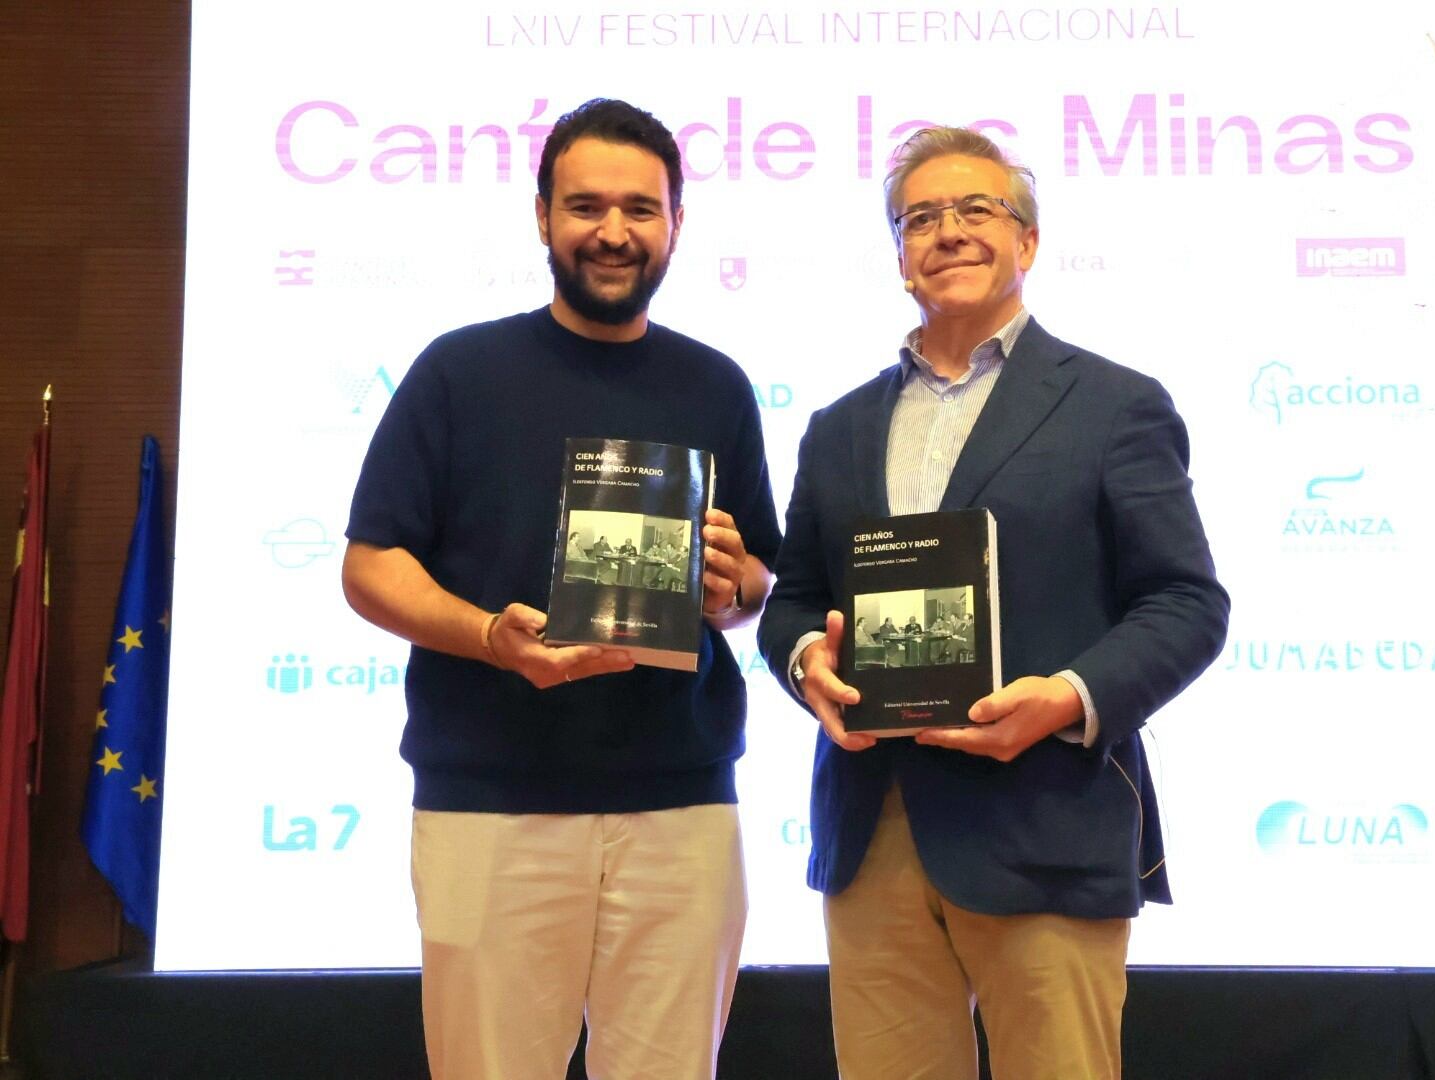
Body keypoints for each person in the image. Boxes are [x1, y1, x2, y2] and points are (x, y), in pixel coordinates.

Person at [757, 126, 1228, 1080]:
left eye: (979, 210)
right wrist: (809, 659)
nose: (950, 233)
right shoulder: (838, 426)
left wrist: (1067, 697)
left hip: (1045, 818)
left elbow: (1185, 602)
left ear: (1029, 241)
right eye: (921, 218)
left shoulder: (1114, 404)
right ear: (898, 257)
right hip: (873, 825)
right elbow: (794, 598)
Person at [342, 97, 780, 1080]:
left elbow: (759, 581)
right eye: (586, 206)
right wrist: (490, 634)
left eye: (641, 208)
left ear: (675, 223)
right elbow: (370, 567)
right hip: (490, 800)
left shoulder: (717, 385)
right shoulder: (458, 372)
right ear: (541, 216)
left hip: (681, 802)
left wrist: (732, 586)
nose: (614, 232)